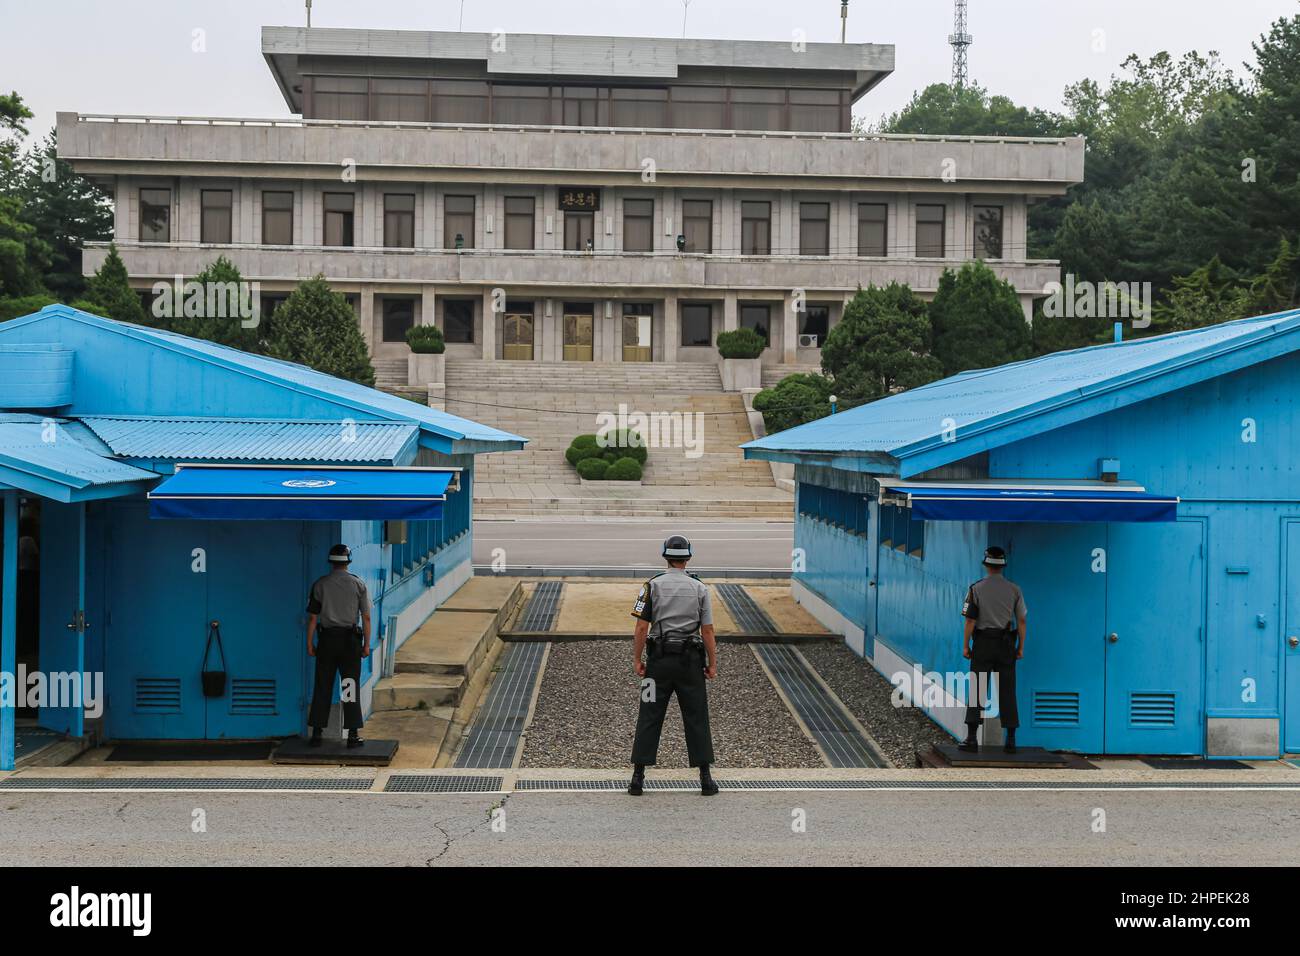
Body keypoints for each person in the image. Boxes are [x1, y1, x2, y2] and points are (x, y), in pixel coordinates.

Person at [628, 534, 719, 796]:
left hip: (657, 663)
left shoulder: (651, 586)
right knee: (696, 715)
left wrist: (638, 659)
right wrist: (712, 664)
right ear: (688, 557)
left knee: (649, 713)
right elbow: (708, 630)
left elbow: (641, 626)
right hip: (690, 663)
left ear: (665, 556)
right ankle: (705, 778)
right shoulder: (700, 588)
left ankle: (638, 777)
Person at [960, 546, 1027, 754]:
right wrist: (1020, 647)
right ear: (1003, 566)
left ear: (986, 565)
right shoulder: (1015, 590)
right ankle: (1011, 740)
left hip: (983, 643)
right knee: (1008, 689)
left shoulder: (976, 588)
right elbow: (1022, 620)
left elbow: (970, 620)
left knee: (978, 688)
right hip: (1006, 642)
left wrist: (966, 645)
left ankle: (972, 738)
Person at [305, 544, 371, 748]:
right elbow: (366, 617)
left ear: (331, 561)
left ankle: (317, 732)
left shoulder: (320, 584)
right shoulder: (359, 585)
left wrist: (310, 643)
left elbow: (313, 620)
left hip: (326, 640)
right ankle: (352, 733)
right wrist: (366, 645)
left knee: (323, 683)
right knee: (349, 684)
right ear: (348, 561)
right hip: (350, 641)